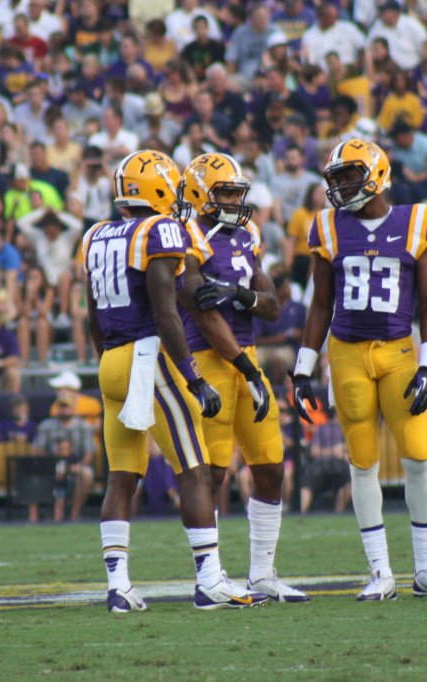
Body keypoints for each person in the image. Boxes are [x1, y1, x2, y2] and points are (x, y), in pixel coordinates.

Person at [83, 149, 264, 612]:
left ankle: (118, 587)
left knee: (121, 477)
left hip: (111, 363)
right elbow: (167, 313)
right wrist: (193, 377)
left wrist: (112, 365)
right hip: (151, 358)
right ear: (160, 188)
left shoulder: (95, 234)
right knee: (195, 470)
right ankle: (209, 581)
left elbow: (91, 316)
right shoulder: (160, 229)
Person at [292, 139, 427, 600]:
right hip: (346, 352)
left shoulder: (417, 221)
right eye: (337, 178)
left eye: (349, 176)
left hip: (398, 350)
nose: (342, 186)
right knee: (363, 462)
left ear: (377, 175)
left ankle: (426, 568)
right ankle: (380, 572)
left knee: (418, 456)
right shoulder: (327, 226)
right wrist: (303, 369)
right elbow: (320, 303)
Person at [176, 152, 309, 603]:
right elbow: (203, 313)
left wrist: (239, 292)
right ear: (201, 195)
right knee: (211, 475)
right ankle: (209, 578)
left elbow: (271, 304)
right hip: (209, 361)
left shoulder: (247, 234)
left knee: (270, 466)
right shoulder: (186, 236)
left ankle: (262, 574)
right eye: (226, 192)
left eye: (237, 192)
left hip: (246, 355)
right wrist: (248, 368)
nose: (235, 200)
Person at [32, 391, 96, 522]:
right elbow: (38, 450)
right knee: (33, 472)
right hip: (50, 465)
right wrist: (49, 465)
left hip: (75, 465)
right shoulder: (46, 425)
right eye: (61, 406)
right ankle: (38, 517)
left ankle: (74, 515)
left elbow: (89, 453)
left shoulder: (84, 427)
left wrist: (79, 466)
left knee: (86, 474)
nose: (64, 409)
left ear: (73, 408)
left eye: (66, 406)